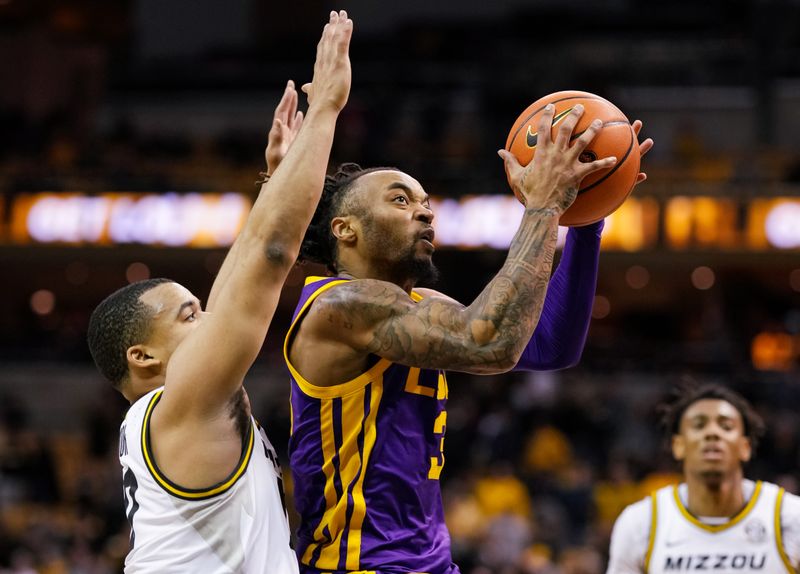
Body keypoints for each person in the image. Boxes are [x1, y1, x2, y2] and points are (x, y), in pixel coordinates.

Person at [283, 99, 653, 573]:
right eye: (400, 200)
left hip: (429, 562)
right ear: (345, 229)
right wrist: (543, 207)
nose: (424, 213)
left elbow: (549, 346)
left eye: (425, 203)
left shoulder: (422, 307)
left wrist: (584, 220)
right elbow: (490, 343)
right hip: (357, 565)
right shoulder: (338, 306)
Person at [86, 11, 353, 572]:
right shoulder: (180, 405)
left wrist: (277, 183)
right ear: (143, 357)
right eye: (189, 316)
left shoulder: (181, 417)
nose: (211, 320)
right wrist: (326, 108)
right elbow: (268, 256)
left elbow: (251, 262)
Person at [607, 384, 800, 573]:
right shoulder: (641, 523)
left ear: (745, 446)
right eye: (698, 425)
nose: (712, 433)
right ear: (678, 445)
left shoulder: (790, 517)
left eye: (726, 426)